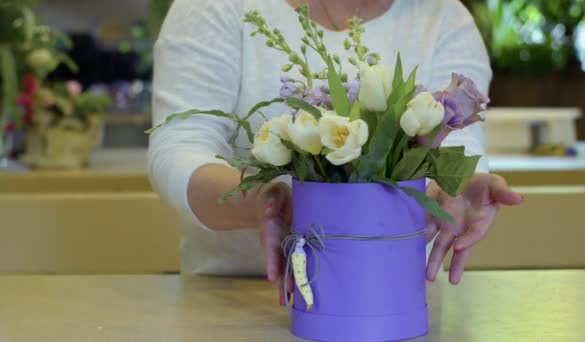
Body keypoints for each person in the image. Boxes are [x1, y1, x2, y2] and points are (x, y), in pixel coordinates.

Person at [149, 0, 524, 303]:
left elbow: (456, 146)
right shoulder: (215, 8)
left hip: (391, 299)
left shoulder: (444, 17)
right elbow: (179, 150)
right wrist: (265, 202)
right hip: (230, 300)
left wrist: (454, 189)